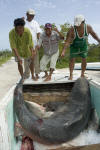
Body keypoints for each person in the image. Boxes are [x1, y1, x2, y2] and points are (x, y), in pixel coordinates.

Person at [61, 15, 100, 80]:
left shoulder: (88, 27)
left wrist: (99, 40)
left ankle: (82, 74)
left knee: (84, 59)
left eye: (79, 24)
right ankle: (71, 74)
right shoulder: (71, 29)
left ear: (83, 22)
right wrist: (63, 51)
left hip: (83, 46)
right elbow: (67, 41)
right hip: (74, 46)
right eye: (76, 24)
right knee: (72, 59)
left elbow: (94, 35)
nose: (77, 26)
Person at [25, 9, 41, 79]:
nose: (31, 16)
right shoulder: (23, 22)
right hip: (25, 45)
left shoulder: (35, 23)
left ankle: (36, 74)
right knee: (27, 60)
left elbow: (38, 33)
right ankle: (27, 75)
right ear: (27, 14)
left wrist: (39, 43)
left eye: (33, 15)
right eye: (30, 15)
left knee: (36, 60)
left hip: (34, 45)